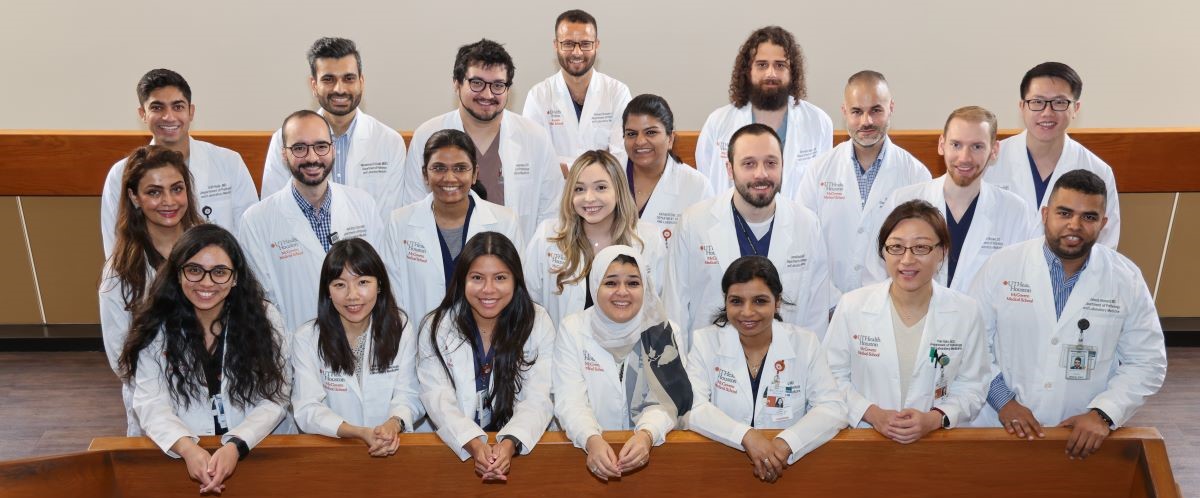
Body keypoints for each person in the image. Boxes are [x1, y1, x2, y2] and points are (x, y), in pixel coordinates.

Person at [970, 170, 1166, 459]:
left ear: (1104, 223)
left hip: (1079, 436)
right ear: (1045, 214)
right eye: (1064, 212)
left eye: (1089, 217)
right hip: (998, 426)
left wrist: (1102, 414)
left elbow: (1148, 362)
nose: (1074, 225)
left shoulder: (1126, 278)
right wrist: (1004, 403)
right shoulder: (1001, 266)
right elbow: (972, 345)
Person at [118, 224, 290, 494]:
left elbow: (276, 395)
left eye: (219, 272)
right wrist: (187, 448)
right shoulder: (157, 323)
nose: (207, 283)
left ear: (235, 277)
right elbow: (151, 402)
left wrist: (236, 445)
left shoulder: (265, 319)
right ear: (178, 274)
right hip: (184, 450)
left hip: (252, 448)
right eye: (195, 270)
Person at [822, 200, 988, 443]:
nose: (907, 259)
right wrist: (873, 414)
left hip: (935, 445)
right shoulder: (852, 306)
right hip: (864, 443)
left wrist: (933, 419)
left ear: (941, 252)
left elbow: (973, 386)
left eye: (921, 248)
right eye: (896, 247)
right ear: (883, 253)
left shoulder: (965, 312)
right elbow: (830, 377)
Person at [666, 124, 836, 350]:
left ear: (783, 166)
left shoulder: (807, 225)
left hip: (784, 369)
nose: (761, 174)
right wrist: (681, 380)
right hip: (709, 369)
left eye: (771, 163)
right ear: (730, 169)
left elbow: (815, 317)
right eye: (749, 164)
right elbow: (675, 312)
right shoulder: (694, 223)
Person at [685, 256, 846, 483]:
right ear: (726, 302)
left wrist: (786, 442)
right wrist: (746, 436)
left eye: (760, 301)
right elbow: (693, 408)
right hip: (719, 470)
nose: (747, 312)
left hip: (790, 473)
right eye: (736, 301)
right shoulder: (705, 342)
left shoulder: (805, 344)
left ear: (777, 301)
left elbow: (832, 408)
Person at [417, 232, 555, 481]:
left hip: (516, 452)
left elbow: (539, 396)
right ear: (462, 280)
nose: (488, 289)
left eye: (500, 278)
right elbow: (437, 397)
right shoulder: (437, 325)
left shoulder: (536, 322)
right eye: (477, 278)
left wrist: (510, 443)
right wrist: (474, 443)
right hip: (456, 453)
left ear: (515, 280)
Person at [554, 245, 691, 481]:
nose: (622, 292)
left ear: (645, 287)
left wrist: (647, 434)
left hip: (652, 457)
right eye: (611, 283)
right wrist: (591, 439)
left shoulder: (664, 332)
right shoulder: (573, 329)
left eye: (633, 283)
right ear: (595, 285)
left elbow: (670, 400)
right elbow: (570, 399)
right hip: (587, 455)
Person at [403, 39, 563, 239]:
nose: (487, 94)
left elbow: (551, 213)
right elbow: (413, 209)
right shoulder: (427, 135)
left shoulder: (535, 138)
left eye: (498, 85)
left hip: (516, 261)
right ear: (457, 83)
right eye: (477, 83)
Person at [865, 106, 1037, 293]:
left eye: (977, 146)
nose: (964, 157)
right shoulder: (901, 200)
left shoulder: (1015, 211)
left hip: (983, 322)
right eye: (956, 145)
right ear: (941, 145)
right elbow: (875, 274)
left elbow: (1020, 283)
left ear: (994, 150)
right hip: (913, 319)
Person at [239, 110, 382, 333]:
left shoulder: (363, 204)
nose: (312, 157)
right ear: (284, 155)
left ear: (332, 149)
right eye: (299, 148)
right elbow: (260, 302)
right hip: (292, 353)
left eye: (321, 146)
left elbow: (379, 280)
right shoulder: (256, 221)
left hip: (360, 345)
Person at [99, 145, 204, 436]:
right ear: (134, 198)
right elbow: (121, 358)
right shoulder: (120, 272)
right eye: (154, 192)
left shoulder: (213, 249)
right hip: (156, 405)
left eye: (176, 188)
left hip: (218, 396)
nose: (168, 201)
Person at [797, 71, 931, 293]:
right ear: (844, 112)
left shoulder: (916, 175)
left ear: (891, 108)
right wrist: (832, 303)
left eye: (876, 110)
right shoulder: (818, 171)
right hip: (827, 304)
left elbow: (922, 251)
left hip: (890, 304)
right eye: (857, 112)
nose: (866, 121)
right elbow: (804, 243)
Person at [100, 69, 256, 257]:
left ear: (191, 111)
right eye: (157, 108)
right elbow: (116, 247)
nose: (169, 117)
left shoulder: (229, 163)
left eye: (178, 106)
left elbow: (249, 237)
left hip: (222, 280)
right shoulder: (121, 174)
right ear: (142, 114)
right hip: (148, 283)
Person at [291, 238, 424, 455]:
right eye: (340, 285)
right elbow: (308, 409)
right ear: (327, 291)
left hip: (391, 448)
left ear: (379, 284)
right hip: (332, 452)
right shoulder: (307, 338)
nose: (352, 295)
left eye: (362, 282)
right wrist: (359, 432)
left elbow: (409, 394)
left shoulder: (401, 328)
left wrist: (391, 426)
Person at [381, 129, 522, 324]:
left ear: (474, 174)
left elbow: (515, 291)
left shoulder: (505, 221)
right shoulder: (400, 222)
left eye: (460, 168)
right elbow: (393, 297)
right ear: (425, 174)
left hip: (488, 342)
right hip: (419, 344)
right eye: (439, 168)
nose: (449, 178)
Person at [260, 37, 408, 218]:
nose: (339, 89)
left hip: (368, 246)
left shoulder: (389, 141)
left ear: (361, 82)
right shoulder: (284, 140)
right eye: (329, 79)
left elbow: (388, 218)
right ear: (314, 85)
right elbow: (272, 210)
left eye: (349, 78)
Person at [523, 150, 668, 327]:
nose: (589, 198)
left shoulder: (648, 239)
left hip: (627, 350)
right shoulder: (547, 236)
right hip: (565, 350)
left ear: (619, 190)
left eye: (601, 187)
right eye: (579, 189)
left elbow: (658, 306)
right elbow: (530, 303)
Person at [985, 62, 1120, 247]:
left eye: (1059, 103)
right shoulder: (989, 160)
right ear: (1022, 106)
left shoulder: (1097, 171)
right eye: (1037, 102)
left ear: (1076, 109)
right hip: (996, 272)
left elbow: (1105, 245)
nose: (1047, 113)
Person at [695, 26, 832, 199]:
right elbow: (706, 183)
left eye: (780, 65)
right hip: (730, 223)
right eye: (762, 65)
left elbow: (821, 186)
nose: (771, 73)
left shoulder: (818, 122)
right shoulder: (718, 123)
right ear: (748, 71)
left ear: (793, 72)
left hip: (796, 224)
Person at [523, 9, 632, 173]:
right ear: (555, 45)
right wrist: (600, 163)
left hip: (605, 194)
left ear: (597, 45)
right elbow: (535, 158)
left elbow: (621, 156)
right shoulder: (538, 96)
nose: (577, 52)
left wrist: (562, 166)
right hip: (555, 197)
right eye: (568, 44)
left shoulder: (617, 93)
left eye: (585, 44)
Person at [622, 94, 715, 239]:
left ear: (670, 139)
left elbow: (706, 248)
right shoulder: (608, 176)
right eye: (631, 134)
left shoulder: (697, 186)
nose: (639, 141)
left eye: (651, 132)